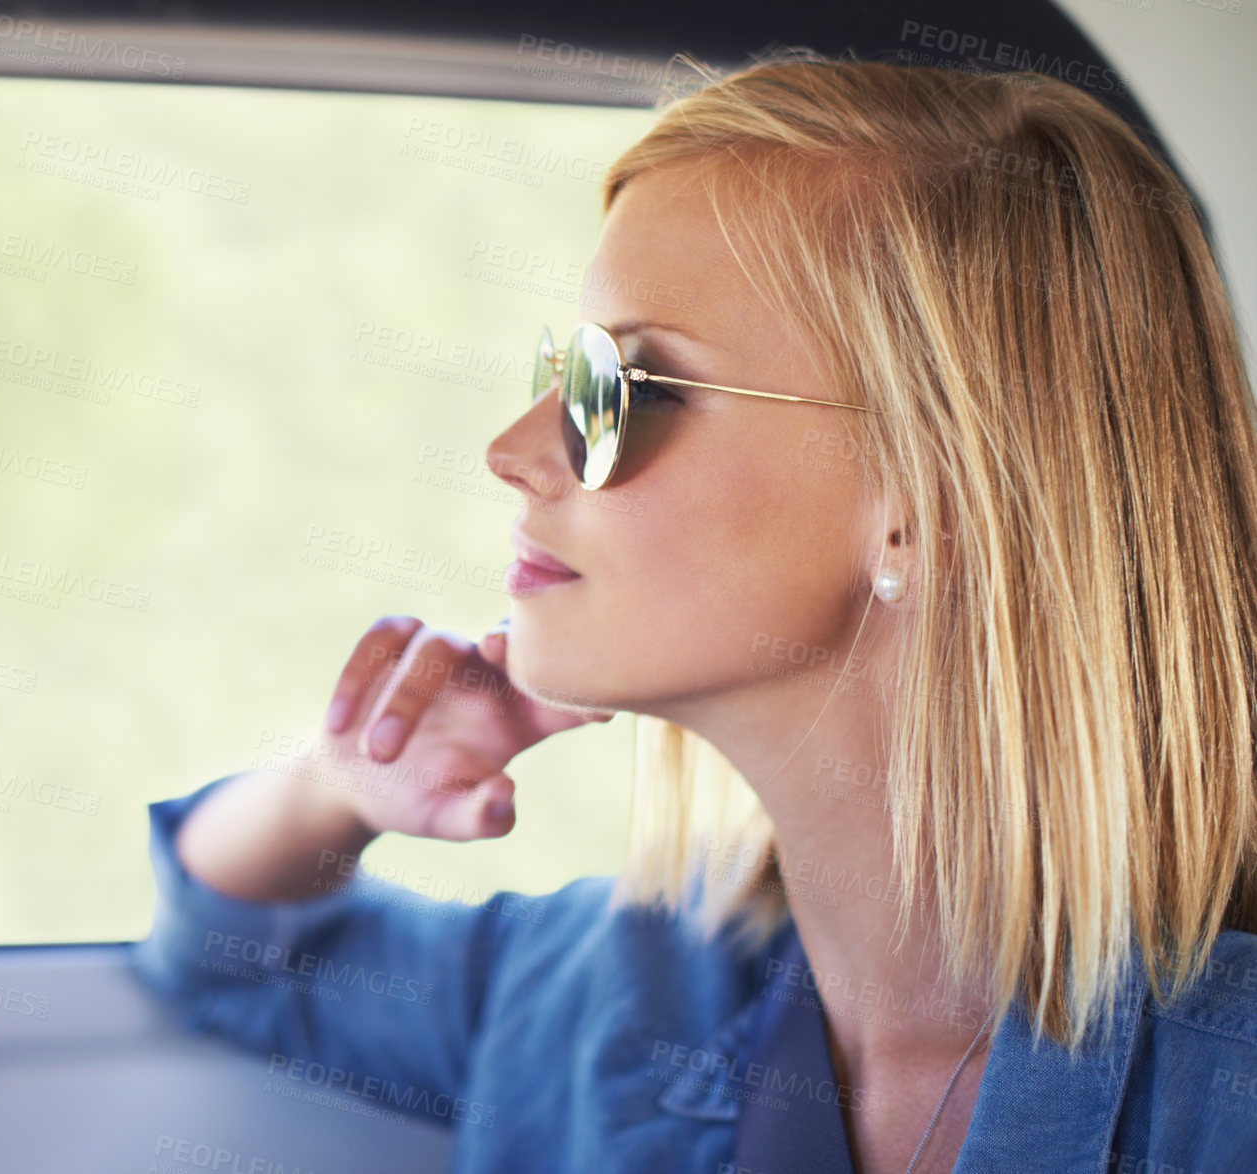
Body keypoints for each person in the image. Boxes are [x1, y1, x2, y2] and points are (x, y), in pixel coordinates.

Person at [130, 48, 1257, 1173]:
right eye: (561, 371)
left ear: (931, 492)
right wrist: (343, 784)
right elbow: (225, 949)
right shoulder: (616, 988)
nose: (514, 452)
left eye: (628, 390)